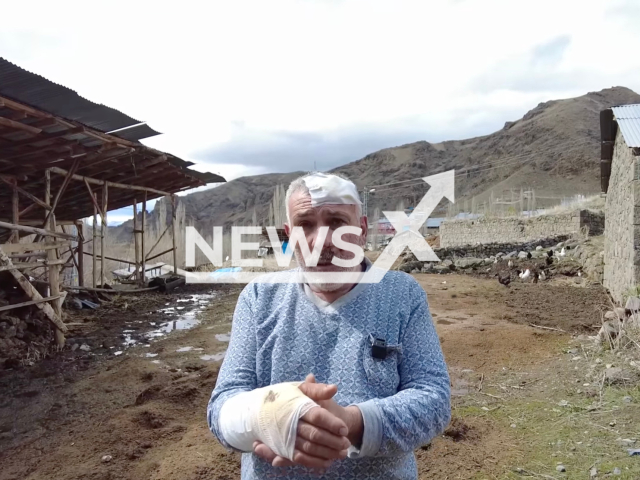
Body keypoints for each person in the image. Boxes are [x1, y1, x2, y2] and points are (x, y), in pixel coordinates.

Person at [207, 172, 450, 479]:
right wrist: (270, 416)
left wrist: (353, 422)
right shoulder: (258, 298)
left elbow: (433, 400)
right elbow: (221, 409)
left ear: (361, 230)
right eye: (305, 224)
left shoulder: (402, 295)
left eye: (336, 221)